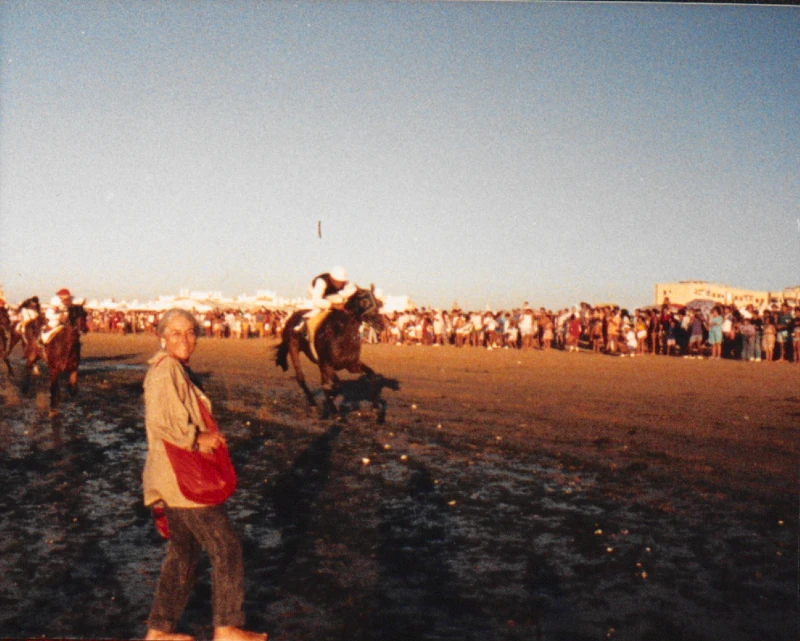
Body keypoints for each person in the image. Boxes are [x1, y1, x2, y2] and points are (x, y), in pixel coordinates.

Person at [142, 308, 266, 641]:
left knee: (183, 554)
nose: (185, 339)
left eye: (190, 332)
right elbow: (162, 421)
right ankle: (227, 628)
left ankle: (159, 632)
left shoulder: (175, 369)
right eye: (177, 333)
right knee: (226, 547)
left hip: (170, 477)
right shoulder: (166, 369)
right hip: (181, 477)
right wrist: (197, 438)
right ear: (162, 337)